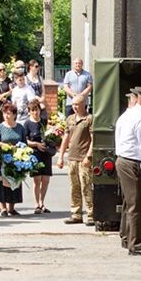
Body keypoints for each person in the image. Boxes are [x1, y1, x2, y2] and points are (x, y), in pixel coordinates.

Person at [113, 87, 141, 256]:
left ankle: (127, 236)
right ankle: (137, 244)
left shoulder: (127, 115)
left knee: (128, 203)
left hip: (123, 160)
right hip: (133, 163)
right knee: (137, 204)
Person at [59, 93, 94, 226]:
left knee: (86, 186)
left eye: (77, 104)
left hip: (84, 159)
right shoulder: (70, 119)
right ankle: (76, 214)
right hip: (72, 158)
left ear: (84, 104)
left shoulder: (89, 119)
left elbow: (93, 139)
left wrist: (88, 156)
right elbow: (66, 138)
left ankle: (91, 213)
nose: (75, 107)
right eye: (73, 104)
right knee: (74, 187)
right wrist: (61, 156)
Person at [0, 103, 28, 220]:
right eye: (4, 113)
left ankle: (12, 207)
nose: (6, 116)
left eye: (8, 113)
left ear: (14, 115)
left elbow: (24, 143)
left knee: (15, 182)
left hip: (16, 158)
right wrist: (1, 145)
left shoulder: (20, 128)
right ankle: (3, 207)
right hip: (2, 159)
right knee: (2, 183)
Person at [22, 101, 53, 216]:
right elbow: (25, 140)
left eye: (37, 110)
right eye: (33, 110)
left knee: (45, 180)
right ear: (30, 112)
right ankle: (36, 204)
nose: (35, 112)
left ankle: (42, 202)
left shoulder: (44, 122)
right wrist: (35, 144)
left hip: (46, 153)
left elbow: (51, 134)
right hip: (35, 153)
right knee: (37, 180)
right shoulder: (27, 123)